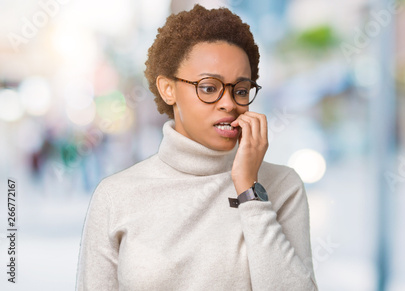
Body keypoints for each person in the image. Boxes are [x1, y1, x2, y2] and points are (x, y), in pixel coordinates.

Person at [76, 4, 318, 290]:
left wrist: (249, 190)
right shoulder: (116, 196)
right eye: (208, 87)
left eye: (240, 90)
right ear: (168, 89)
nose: (229, 103)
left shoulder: (282, 186)